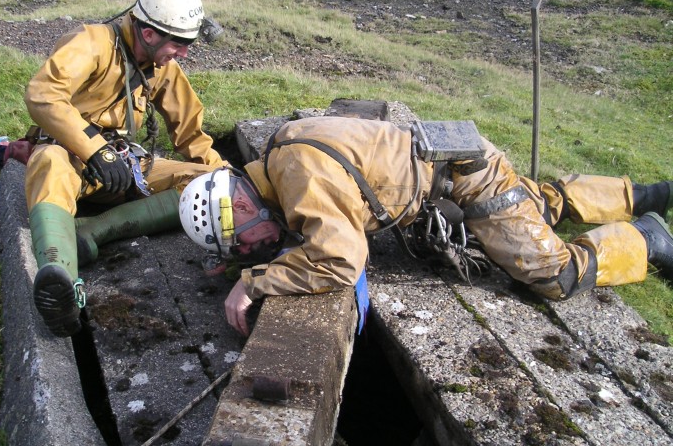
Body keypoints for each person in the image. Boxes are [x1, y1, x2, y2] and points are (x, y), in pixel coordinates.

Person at [178, 116, 673, 336]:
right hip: (450, 161)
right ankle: (639, 194)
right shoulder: (282, 151)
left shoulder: (300, 179)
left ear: (240, 210)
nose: (248, 251)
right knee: (533, 210)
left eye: (240, 243)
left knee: (555, 275)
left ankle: (649, 236)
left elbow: (341, 260)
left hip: (468, 182)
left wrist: (254, 283)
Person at [25, 0, 228, 338]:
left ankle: (93, 232)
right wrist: (93, 149)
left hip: (126, 166)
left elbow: (191, 133)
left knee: (206, 182)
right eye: (179, 44)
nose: (183, 54)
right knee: (48, 162)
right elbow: (43, 94)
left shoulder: (163, 67)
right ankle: (60, 276)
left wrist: (228, 177)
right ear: (149, 34)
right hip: (74, 160)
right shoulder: (91, 43)